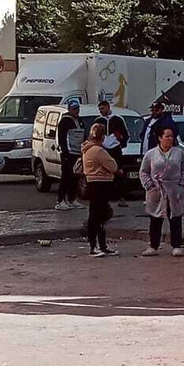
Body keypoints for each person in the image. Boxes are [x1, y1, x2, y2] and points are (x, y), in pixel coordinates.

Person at [139, 122, 184, 257]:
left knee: (175, 218)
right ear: (160, 138)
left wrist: (182, 184)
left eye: (171, 136)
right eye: (167, 136)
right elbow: (144, 171)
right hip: (157, 190)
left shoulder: (179, 153)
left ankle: (176, 245)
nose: (169, 139)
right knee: (155, 219)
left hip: (175, 190)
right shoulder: (151, 154)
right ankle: (153, 246)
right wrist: (149, 185)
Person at [79, 122, 119, 257]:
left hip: (94, 183)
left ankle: (101, 245)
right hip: (99, 183)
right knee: (97, 215)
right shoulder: (97, 150)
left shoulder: (88, 149)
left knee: (99, 215)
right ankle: (95, 246)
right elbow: (113, 166)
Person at [54, 102, 83, 211]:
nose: (76, 111)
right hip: (68, 154)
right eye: (74, 109)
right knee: (66, 177)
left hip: (77, 153)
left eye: (77, 109)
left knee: (75, 177)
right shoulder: (64, 121)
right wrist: (65, 152)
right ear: (69, 109)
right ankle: (60, 200)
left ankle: (72, 199)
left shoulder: (80, 121)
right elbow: (61, 138)